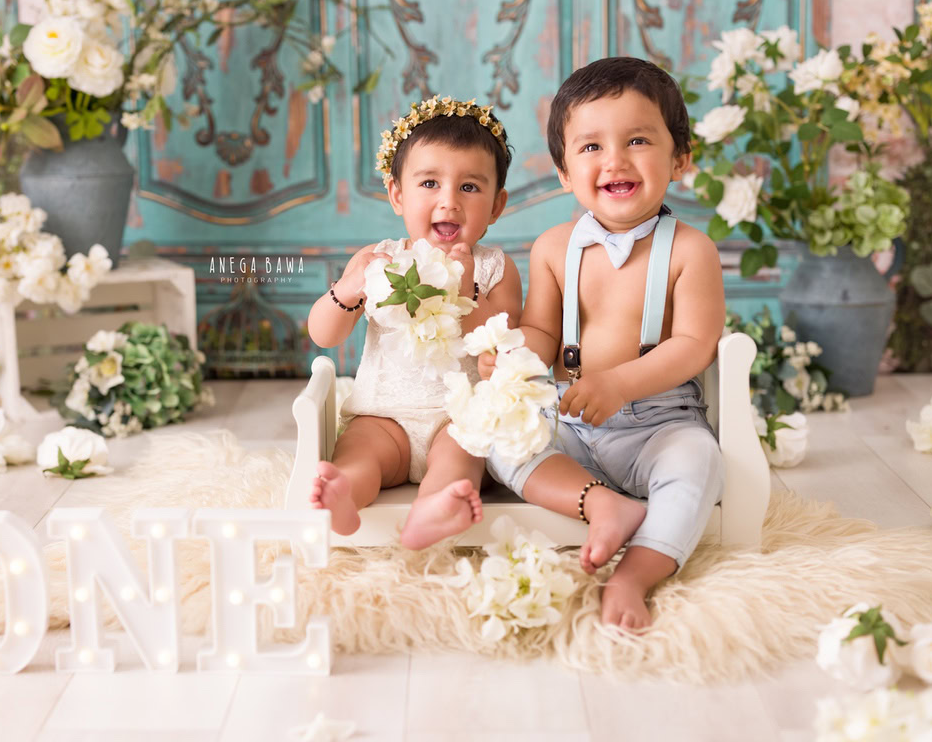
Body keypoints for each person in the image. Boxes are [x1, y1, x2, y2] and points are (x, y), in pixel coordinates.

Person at [482, 57, 726, 630]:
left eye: (638, 140)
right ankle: (602, 505)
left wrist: (619, 382)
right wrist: (516, 352)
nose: (614, 160)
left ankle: (635, 574)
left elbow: (695, 344)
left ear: (680, 158)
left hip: (658, 422)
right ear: (564, 171)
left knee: (699, 461)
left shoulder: (692, 251)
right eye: (590, 146)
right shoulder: (552, 247)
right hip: (572, 416)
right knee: (501, 444)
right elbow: (544, 331)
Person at [306, 96, 523, 550]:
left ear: (497, 205)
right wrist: (348, 290)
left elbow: (502, 347)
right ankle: (345, 492)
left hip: (456, 415)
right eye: (429, 183)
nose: (449, 201)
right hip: (383, 414)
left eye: (469, 187)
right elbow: (323, 334)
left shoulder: (494, 268)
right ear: (397, 194)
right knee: (361, 451)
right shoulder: (378, 259)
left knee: (463, 452)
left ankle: (437, 507)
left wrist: (468, 294)